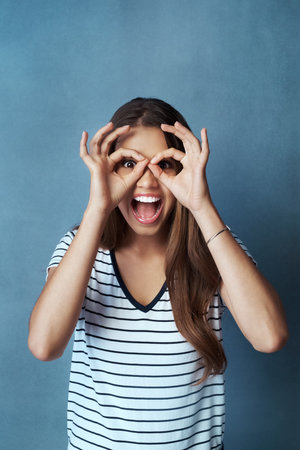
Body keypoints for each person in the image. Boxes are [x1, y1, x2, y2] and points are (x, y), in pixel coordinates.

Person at [28, 97, 288, 449]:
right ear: (108, 170)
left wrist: (202, 206)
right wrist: (98, 209)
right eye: (129, 163)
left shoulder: (215, 248)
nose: (147, 182)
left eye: (164, 164)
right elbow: (44, 345)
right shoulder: (82, 247)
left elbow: (270, 337)